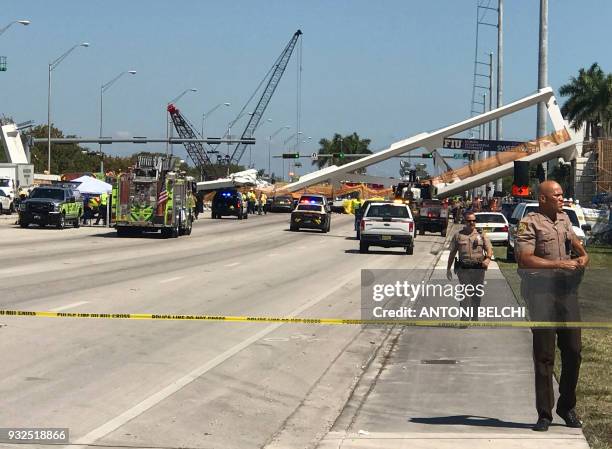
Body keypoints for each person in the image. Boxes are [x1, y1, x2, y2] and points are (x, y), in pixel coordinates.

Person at [516, 180, 589, 432]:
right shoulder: (529, 223)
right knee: (544, 355)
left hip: (566, 292)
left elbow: (574, 242)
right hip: (541, 294)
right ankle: (544, 414)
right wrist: (559, 265)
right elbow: (525, 259)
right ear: (543, 199)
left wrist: (582, 255)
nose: (561, 198)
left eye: (561, 194)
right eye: (556, 195)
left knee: (574, 350)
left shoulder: (564, 219)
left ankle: (566, 406)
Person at [446, 211, 492, 320]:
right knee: (465, 293)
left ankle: (474, 315)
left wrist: (488, 259)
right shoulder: (458, 235)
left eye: (473, 221)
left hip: (478, 269)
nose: (472, 223)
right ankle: (465, 318)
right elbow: (452, 253)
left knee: (477, 293)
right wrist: (448, 269)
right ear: (465, 221)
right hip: (464, 269)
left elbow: (489, 249)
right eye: (469, 221)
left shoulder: (481, 235)